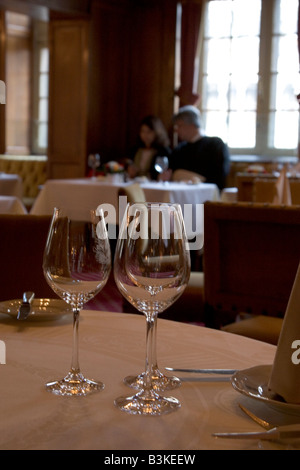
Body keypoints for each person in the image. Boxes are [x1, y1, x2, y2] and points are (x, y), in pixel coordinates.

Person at [170, 106, 230, 190]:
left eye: (180, 126)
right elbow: (172, 174)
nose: (177, 131)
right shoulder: (179, 149)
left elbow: (219, 177)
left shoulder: (215, 145)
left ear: (192, 125)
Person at [127, 115, 171, 180]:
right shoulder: (135, 150)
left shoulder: (163, 151)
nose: (145, 135)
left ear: (156, 132)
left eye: (149, 132)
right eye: (143, 131)